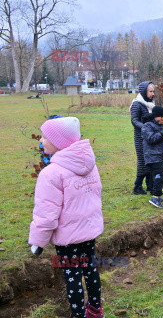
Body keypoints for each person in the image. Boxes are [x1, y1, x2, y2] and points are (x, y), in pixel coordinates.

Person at [28, 117, 104, 318]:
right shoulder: (89, 164)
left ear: (59, 142)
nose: (41, 140)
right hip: (89, 230)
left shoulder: (51, 173)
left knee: (72, 275)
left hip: (68, 237)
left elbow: (47, 214)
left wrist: (38, 242)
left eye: (45, 137)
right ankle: (95, 310)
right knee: (90, 268)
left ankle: (77, 315)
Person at [141, 105, 163, 208]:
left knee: (158, 176)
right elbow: (151, 139)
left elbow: (159, 140)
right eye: (160, 116)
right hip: (152, 156)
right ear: (155, 116)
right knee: (159, 176)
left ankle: (157, 196)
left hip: (158, 156)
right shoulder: (147, 126)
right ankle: (155, 197)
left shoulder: (159, 126)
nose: (162, 119)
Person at [130, 81, 155, 195]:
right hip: (140, 138)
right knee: (143, 162)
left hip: (150, 136)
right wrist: (145, 127)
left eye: (153, 91)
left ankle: (150, 185)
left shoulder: (150, 104)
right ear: (144, 92)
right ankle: (137, 186)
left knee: (150, 161)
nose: (153, 94)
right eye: (150, 91)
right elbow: (134, 121)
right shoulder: (137, 104)